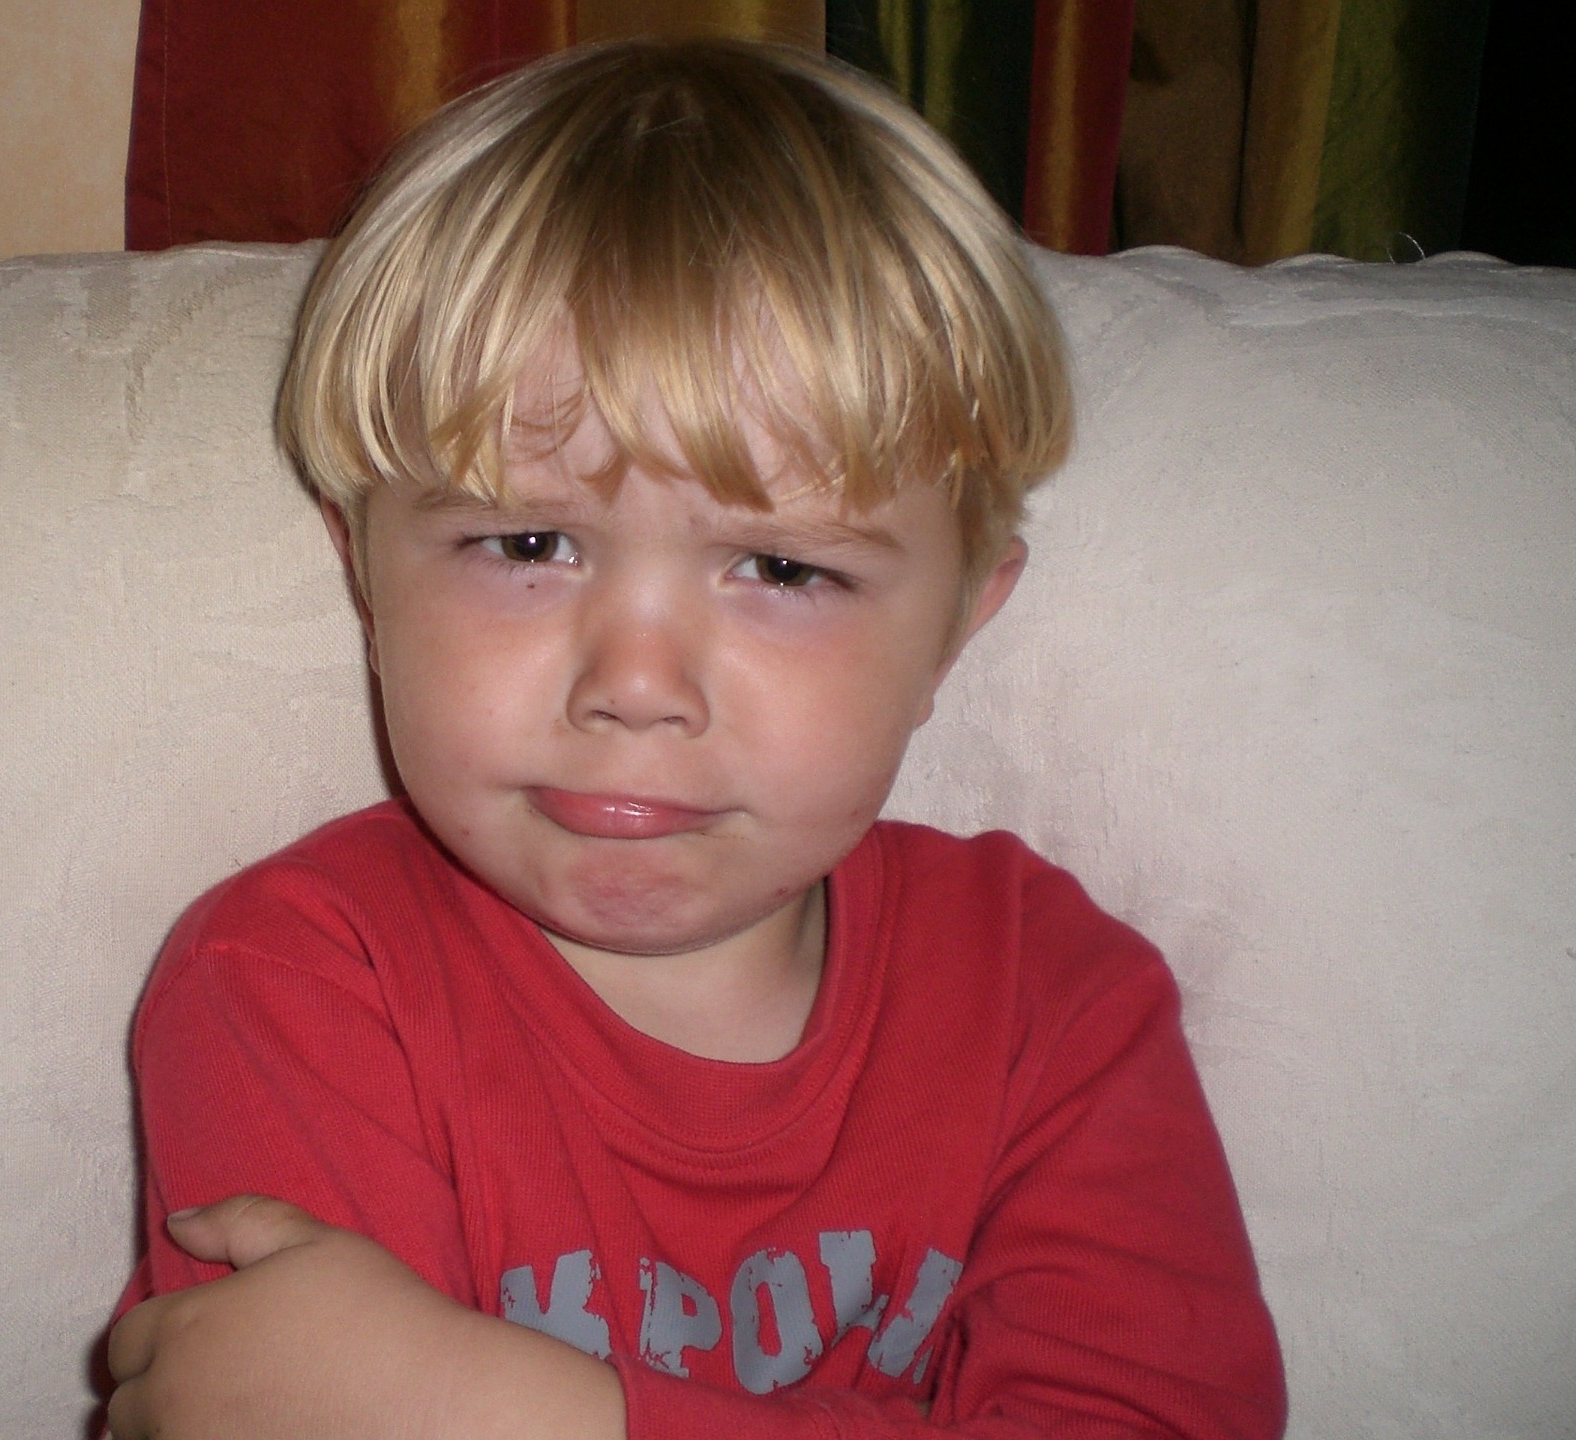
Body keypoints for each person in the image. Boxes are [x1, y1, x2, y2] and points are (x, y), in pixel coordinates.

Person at [104, 38, 1285, 1440]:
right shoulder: (296, 982)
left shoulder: (1052, 1001)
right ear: (367, 578)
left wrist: (514, 1414)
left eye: (783, 570)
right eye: (528, 542)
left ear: (958, 627)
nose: (638, 683)